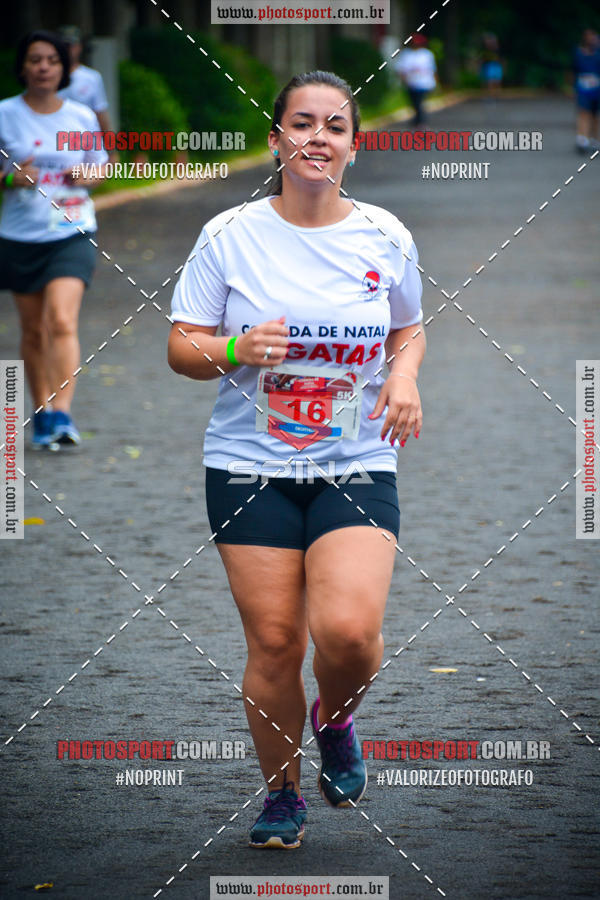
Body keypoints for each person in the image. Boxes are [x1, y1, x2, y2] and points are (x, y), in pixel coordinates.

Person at [168, 71, 425, 849]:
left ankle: (336, 719)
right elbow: (182, 346)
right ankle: (281, 796)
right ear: (277, 137)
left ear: (353, 142)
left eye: (335, 126)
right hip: (249, 466)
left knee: (349, 633)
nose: (319, 138)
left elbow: (407, 328)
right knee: (276, 642)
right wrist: (238, 347)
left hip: (355, 460)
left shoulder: (386, 235)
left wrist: (405, 379)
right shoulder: (229, 234)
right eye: (303, 124)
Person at [0, 31, 107, 447]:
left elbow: (101, 168)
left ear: (64, 68)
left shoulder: (81, 116)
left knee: (61, 320)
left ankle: (62, 414)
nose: (44, 67)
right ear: (23, 67)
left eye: (52, 60)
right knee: (32, 331)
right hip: (19, 234)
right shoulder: (5, 114)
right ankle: (41, 409)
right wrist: (11, 178)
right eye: (35, 59)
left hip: (72, 230)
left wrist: (88, 177)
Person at [394, 33, 437, 126]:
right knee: (414, 102)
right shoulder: (406, 54)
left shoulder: (427, 54)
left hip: (424, 83)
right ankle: (418, 119)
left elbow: (432, 69)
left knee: (419, 102)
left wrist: (435, 83)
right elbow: (401, 69)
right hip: (411, 83)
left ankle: (420, 121)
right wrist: (404, 80)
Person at [572, 29, 600, 153]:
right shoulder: (579, 53)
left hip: (597, 88)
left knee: (595, 115)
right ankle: (582, 138)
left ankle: (595, 139)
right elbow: (574, 70)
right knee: (584, 113)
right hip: (583, 87)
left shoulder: (598, 54)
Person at [479, 33, 503, 99]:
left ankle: (496, 95)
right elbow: (482, 59)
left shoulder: (497, 49)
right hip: (489, 66)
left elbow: (500, 59)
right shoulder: (484, 49)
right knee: (490, 81)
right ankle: (490, 95)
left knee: (497, 81)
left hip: (496, 65)